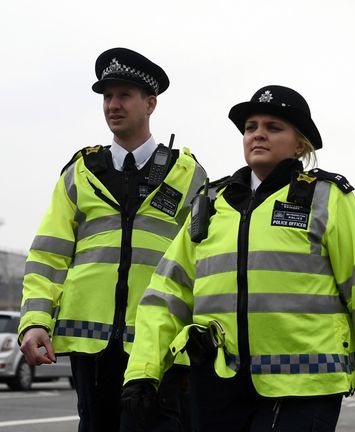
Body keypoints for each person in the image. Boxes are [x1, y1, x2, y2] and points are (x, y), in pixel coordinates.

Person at [121, 85, 355, 431]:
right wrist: (143, 373)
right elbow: (166, 296)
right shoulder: (211, 204)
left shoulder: (326, 199)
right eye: (251, 127)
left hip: (304, 388)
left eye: (273, 127)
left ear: (300, 144)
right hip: (219, 386)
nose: (258, 135)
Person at [17, 48, 206, 431]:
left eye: (124, 96)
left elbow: (205, 263)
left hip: (161, 342)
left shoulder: (188, 175)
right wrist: (35, 320)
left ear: (150, 103)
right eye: (107, 97)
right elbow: (48, 255)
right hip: (91, 346)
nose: (112, 105)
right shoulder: (79, 172)